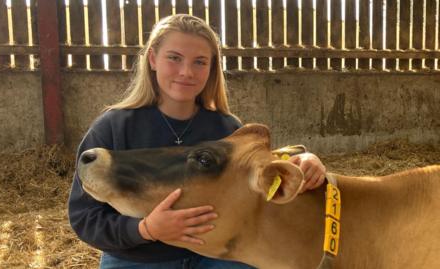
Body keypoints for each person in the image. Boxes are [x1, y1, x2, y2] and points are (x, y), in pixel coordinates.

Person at [68, 14, 326, 269]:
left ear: (212, 68)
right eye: (174, 58)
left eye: (200, 62)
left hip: (216, 257)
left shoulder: (226, 129)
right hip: (137, 257)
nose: (186, 72)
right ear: (153, 59)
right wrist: (144, 229)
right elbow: (85, 217)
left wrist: (304, 161)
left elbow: (260, 182)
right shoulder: (113, 127)